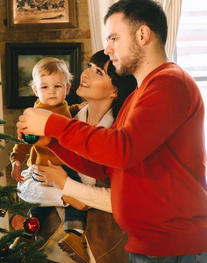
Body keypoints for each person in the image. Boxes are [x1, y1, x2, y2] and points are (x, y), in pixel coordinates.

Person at [16, 0, 207, 263]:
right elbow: (104, 166)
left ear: (143, 34)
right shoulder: (139, 94)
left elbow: (123, 149)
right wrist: (51, 142)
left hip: (176, 248)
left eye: (114, 38)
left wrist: (53, 123)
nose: (108, 49)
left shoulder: (169, 83)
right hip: (149, 247)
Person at [17, 50, 136, 263]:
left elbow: (125, 200)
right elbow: (26, 186)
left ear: (115, 91)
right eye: (89, 67)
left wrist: (65, 185)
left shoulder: (121, 135)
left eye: (97, 71)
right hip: (52, 243)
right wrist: (62, 196)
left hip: (102, 248)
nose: (85, 74)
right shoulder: (69, 120)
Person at [9, 57, 88, 258]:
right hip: (43, 166)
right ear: (36, 90)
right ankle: (72, 233)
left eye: (57, 86)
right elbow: (23, 142)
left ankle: (38, 234)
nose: (51, 91)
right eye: (44, 87)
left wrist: (77, 109)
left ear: (67, 88)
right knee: (69, 195)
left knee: (46, 205)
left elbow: (67, 114)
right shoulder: (35, 114)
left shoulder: (67, 109)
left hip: (64, 165)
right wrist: (16, 160)